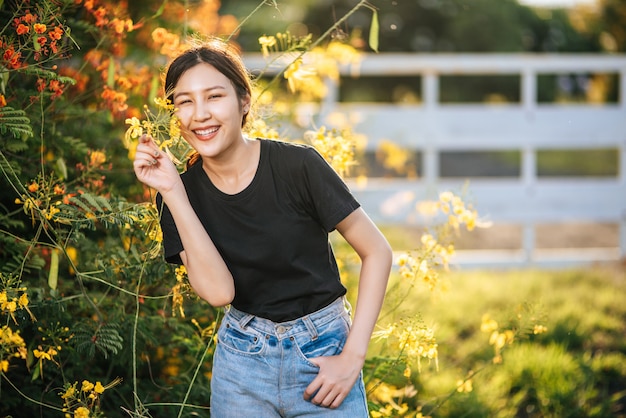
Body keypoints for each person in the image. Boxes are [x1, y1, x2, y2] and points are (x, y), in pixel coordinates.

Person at [133, 38, 392, 417]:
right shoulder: (176, 192)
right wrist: (173, 192)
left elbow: (377, 251)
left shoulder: (297, 166)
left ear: (244, 102)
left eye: (214, 96)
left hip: (323, 354)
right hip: (241, 362)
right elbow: (220, 292)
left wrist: (352, 356)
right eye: (185, 101)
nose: (199, 114)